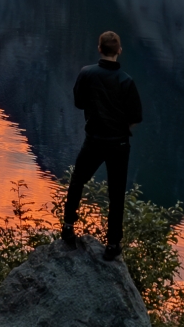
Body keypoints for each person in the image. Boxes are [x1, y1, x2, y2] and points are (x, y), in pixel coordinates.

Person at [61, 30, 143, 261]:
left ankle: (68, 226)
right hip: (118, 143)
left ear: (99, 49)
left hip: (94, 140)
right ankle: (112, 244)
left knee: (78, 180)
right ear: (119, 50)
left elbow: (78, 103)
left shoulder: (87, 74)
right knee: (116, 193)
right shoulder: (126, 81)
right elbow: (136, 116)